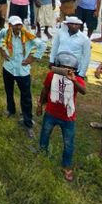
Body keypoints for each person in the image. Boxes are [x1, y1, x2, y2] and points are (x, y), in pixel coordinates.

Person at [37, 53, 87, 182]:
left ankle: (66, 165)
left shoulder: (77, 79)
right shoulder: (51, 76)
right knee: (45, 135)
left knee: (68, 143)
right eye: (63, 67)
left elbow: (83, 91)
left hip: (68, 117)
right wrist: (40, 105)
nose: (65, 70)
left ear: (74, 69)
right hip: (51, 113)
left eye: (69, 68)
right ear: (57, 67)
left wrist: (74, 80)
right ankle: (42, 155)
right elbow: (45, 90)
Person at [0, 16, 46, 139]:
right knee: (9, 90)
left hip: (22, 71)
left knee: (26, 97)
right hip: (8, 67)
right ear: (10, 26)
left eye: (19, 25)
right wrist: (2, 51)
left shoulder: (27, 34)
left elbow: (42, 45)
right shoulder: (5, 32)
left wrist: (32, 58)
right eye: (16, 25)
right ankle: (10, 109)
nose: (18, 27)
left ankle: (28, 122)